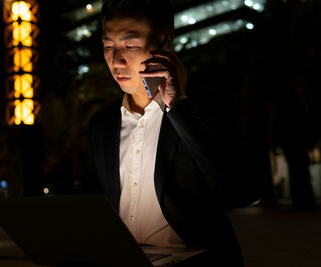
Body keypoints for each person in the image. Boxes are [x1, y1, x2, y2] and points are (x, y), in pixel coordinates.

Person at [83, 0, 263, 266]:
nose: (116, 60)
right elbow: (94, 205)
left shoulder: (207, 108)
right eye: (108, 46)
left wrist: (179, 107)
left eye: (130, 45)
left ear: (165, 43)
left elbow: (242, 191)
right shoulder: (101, 125)